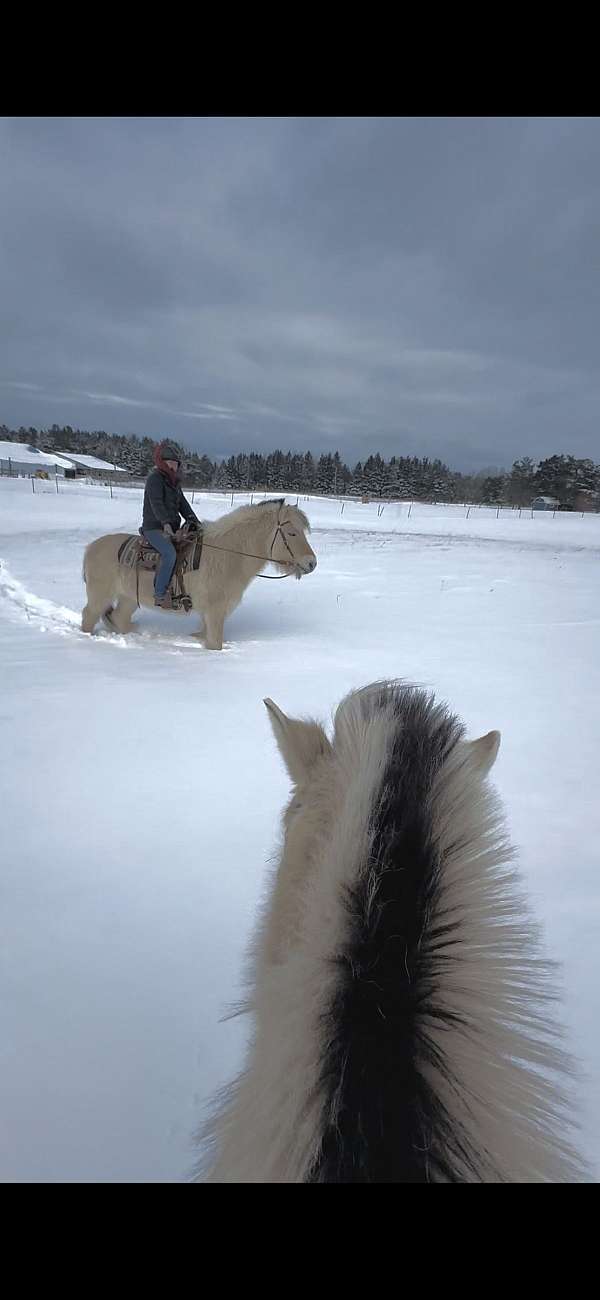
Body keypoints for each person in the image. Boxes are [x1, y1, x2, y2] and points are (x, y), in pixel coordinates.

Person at [141, 441, 200, 607]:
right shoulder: (155, 479)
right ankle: (159, 593)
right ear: (162, 462)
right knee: (169, 554)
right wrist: (166, 523)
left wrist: (194, 520)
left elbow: (183, 505)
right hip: (154, 528)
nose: (174, 465)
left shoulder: (174, 483)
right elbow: (156, 503)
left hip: (172, 529)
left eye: (176, 463)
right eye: (171, 462)